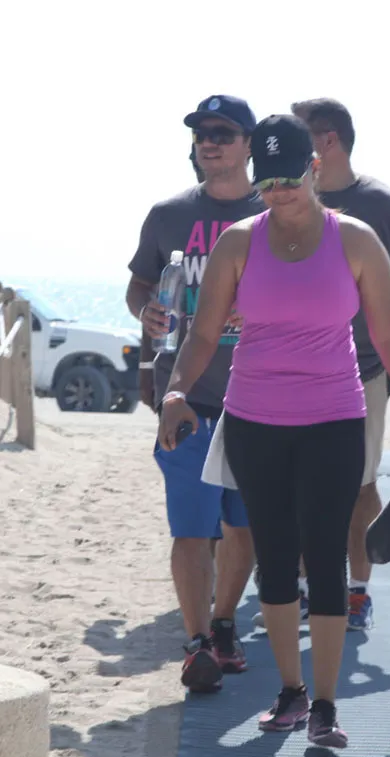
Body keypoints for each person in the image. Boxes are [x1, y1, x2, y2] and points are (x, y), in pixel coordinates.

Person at [156, 114, 390, 748]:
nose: (279, 192)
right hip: (255, 420)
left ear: (314, 169)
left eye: (289, 178)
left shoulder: (356, 240)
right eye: (268, 182)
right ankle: (291, 692)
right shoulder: (238, 243)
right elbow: (204, 334)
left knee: (326, 558)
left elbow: (388, 337)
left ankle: (326, 706)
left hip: (334, 419)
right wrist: (176, 392)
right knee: (276, 560)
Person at [124, 94, 264, 692]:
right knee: (189, 528)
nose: (210, 142)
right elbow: (138, 287)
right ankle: (198, 641)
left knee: (242, 526)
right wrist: (147, 312)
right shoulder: (168, 215)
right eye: (202, 133)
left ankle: (225, 622)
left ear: (248, 144)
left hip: (261, 397)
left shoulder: (277, 212)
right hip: (186, 396)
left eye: (223, 133)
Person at [290, 97, 390, 631]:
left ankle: (357, 594)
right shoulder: (287, 199)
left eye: (299, 135)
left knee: (358, 488)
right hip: (292, 371)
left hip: (363, 372)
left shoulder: (382, 206)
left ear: (327, 141)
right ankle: (307, 589)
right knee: (299, 488)